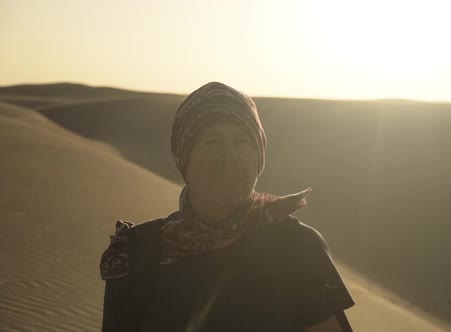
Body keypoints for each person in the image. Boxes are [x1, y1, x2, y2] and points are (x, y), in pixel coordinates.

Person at [99, 82, 355, 331]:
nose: (229, 158)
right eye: (213, 142)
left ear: (259, 158)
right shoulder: (137, 251)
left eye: (243, 142)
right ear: (184, 157)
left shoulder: (297, 247)